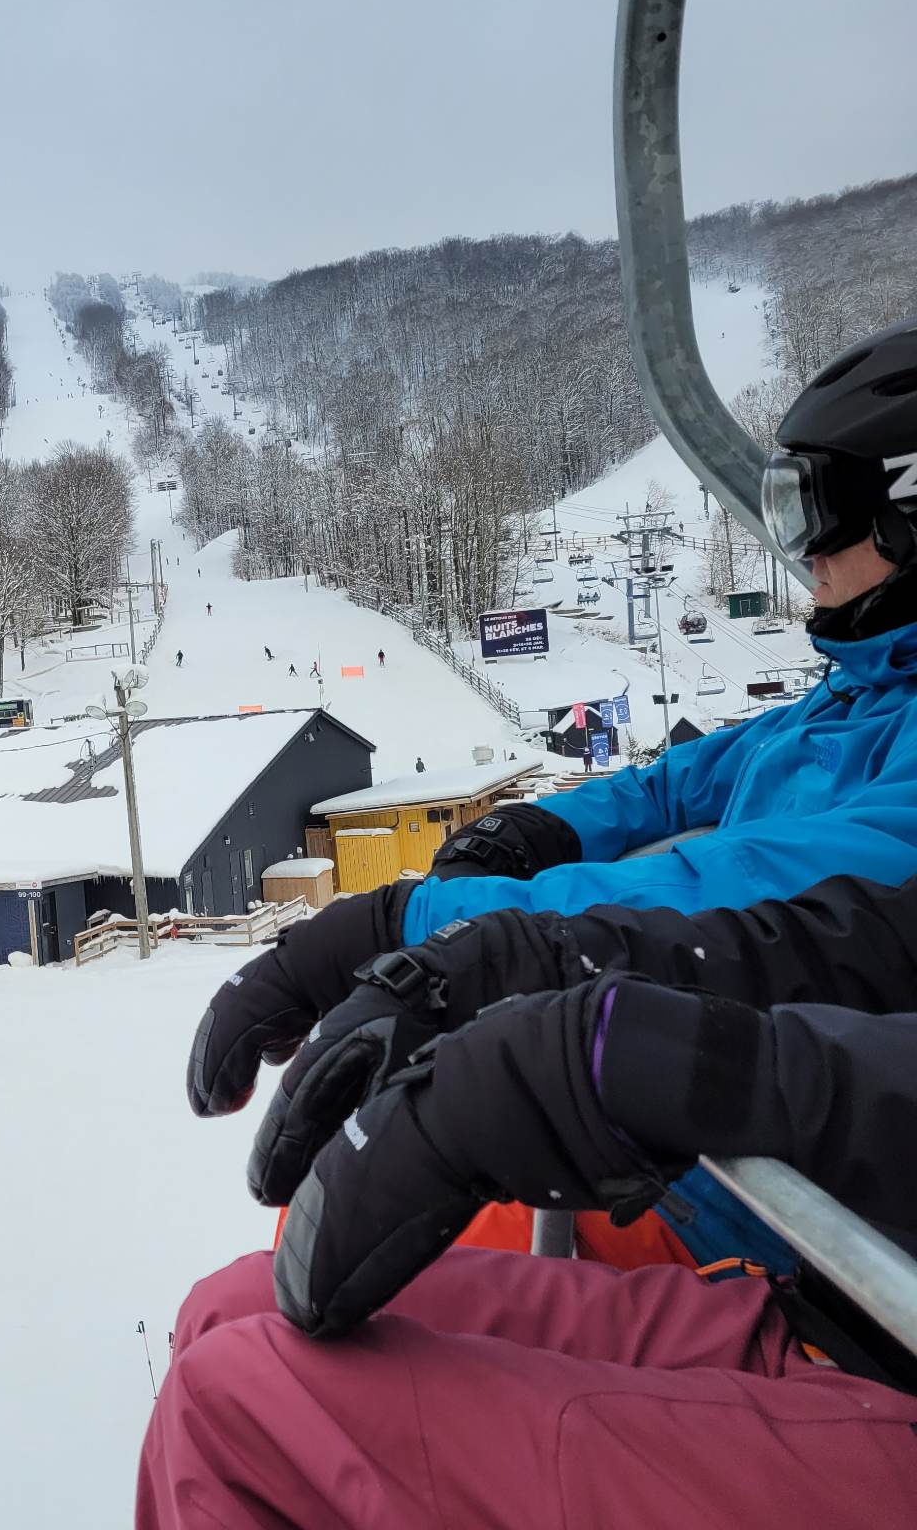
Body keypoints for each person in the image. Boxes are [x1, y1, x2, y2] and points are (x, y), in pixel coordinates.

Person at [186, 314, 917, 1264]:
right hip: (713, 1163)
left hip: (803, 1228)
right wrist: (540, 828)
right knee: (316, 1227)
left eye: (820, 509)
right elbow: (674, 787)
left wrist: (433, 927)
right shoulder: (857, 696)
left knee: (326, 1304)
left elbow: (741, 893)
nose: (803, 550)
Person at [141, 964, 917, 1528]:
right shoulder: (848, 732)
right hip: (828, 1308)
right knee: (245, 1298)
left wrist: (615, 1058)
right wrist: (450, 943)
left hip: (874, 1364)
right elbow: (804, 914)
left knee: (237, 1410)